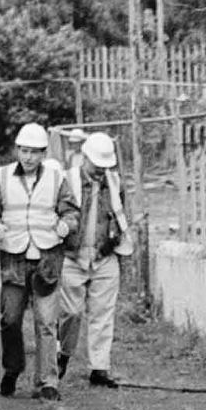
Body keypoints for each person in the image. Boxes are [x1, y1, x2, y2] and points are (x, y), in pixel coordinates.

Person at [0, 121, 79, 400]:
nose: (28, 157)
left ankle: (47, 381)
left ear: (43, 153)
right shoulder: (1, 177)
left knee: (47, 321)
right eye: (24, 151)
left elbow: (72, 212)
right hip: (14, 258)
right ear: (16, 151)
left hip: (47, 257)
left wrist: (66, 225)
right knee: (10, 319)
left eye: (34, 152)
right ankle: (12, 368)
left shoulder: (57, 179)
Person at [62, 132, 135, 388]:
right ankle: (62, 354)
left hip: (104, 255)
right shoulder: (66, 180)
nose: (101, 171)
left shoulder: (115, 182)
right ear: (84, 158)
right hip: (71, 255)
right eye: (97, 166)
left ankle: (99, 367)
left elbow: (120, 214)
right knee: (70, 312)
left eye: (105, 166)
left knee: (103, 314)